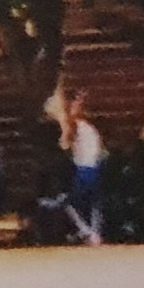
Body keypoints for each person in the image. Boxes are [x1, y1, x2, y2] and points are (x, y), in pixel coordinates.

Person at [59, 89, 106, 245]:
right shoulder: (88, 127)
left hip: (84, 168)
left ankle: (87, 231)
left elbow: (65, 144)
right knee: (92, 202)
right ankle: (93, 231)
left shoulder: (79, 126)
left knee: (71, 202)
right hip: (91, 167)